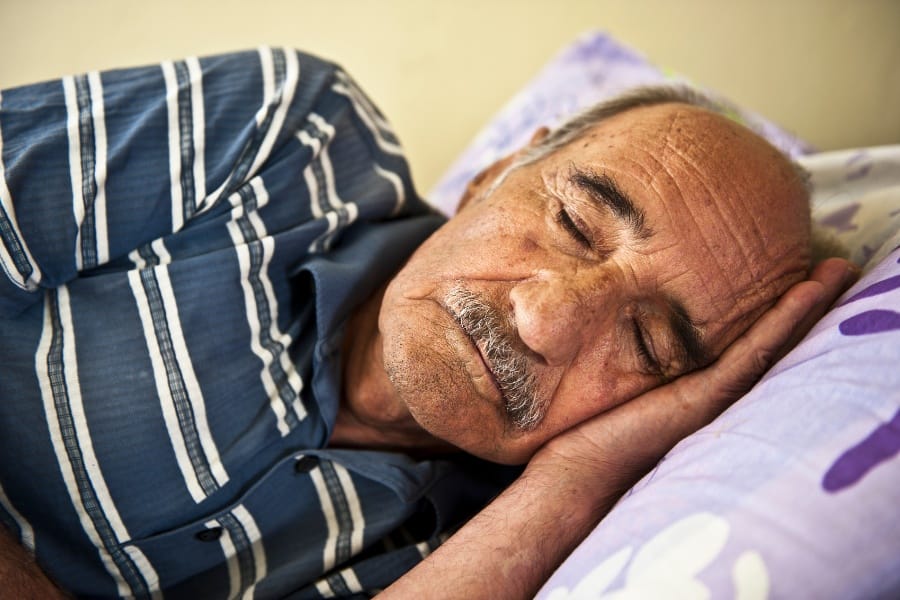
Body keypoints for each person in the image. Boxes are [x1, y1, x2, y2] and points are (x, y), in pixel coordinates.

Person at [0, 48, 854, 599]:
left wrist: (573, 481)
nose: (544, 319)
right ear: (495, 174)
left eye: (647, 344)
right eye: (574, 222)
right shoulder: (286, 138)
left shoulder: (486, 549)